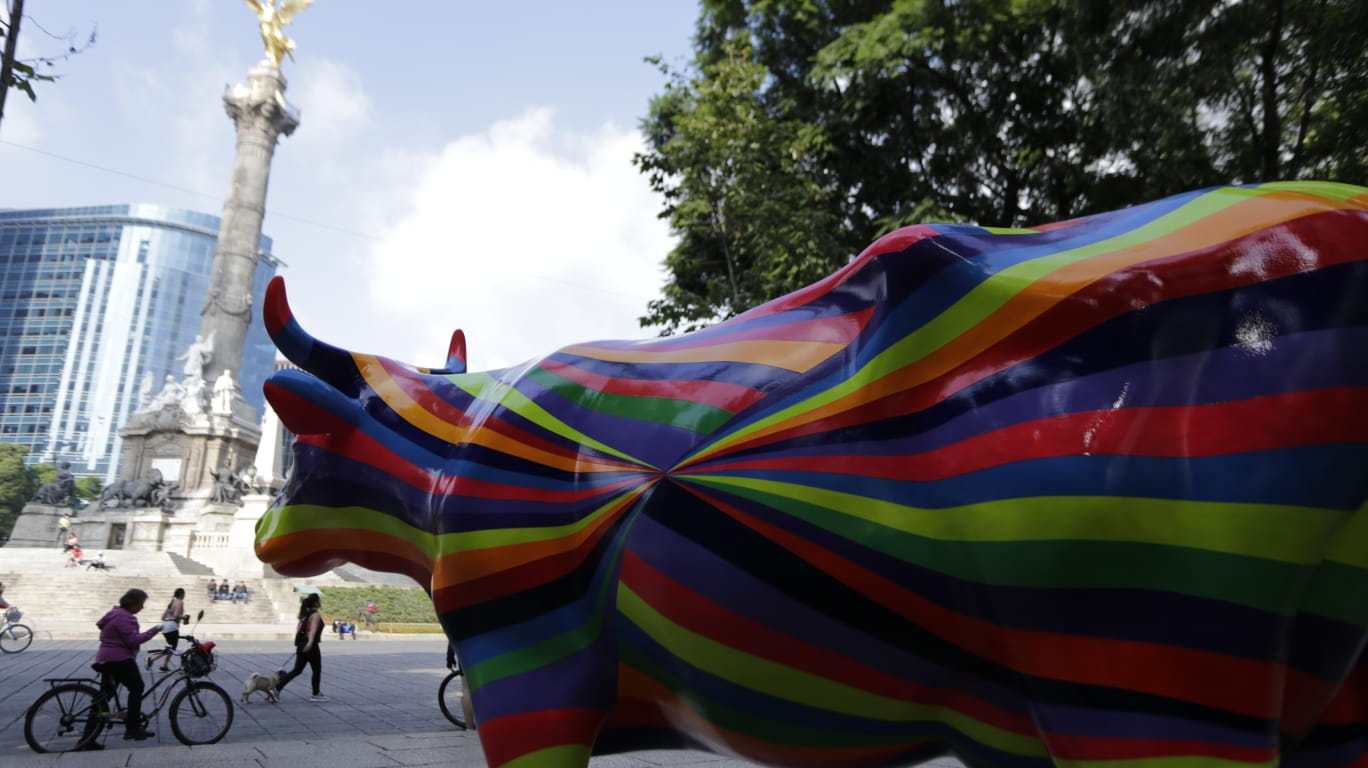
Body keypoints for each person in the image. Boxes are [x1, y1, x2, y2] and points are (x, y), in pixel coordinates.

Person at [94, 589, 162, 742]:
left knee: (102, 699)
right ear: (133, 603)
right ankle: (133, 728)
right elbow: (133, 640)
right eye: (141, 604)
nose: (142, 608)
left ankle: (87, 738)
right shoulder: (126, 617)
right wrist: (155, 630)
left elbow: (100, 625)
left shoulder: (113, 613)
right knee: (137, 688)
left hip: (104, 658)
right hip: (120, 660)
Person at [276, 593, 327, 702]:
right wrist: (309, 644)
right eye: (319, 600)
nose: (320, 602)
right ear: (316, 602)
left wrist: (301, 646)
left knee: (297, 670)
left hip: (301, 645)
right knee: (316, 670)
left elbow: (299, 630)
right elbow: (312, 632)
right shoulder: (315, 615)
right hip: (311, 646)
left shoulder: (304, 616)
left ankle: (277, 688)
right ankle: (316, 693)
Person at [157, 588, 187, 672]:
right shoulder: (180, 602)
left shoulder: (172, 602)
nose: (185, 596)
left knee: (170, 647)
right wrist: (184, 617)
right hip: (172, 627)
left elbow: (162, 617)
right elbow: (176, 615)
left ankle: (162, 664)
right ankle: (159, 663)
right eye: (184, 594)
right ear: (181, 594)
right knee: (173, 648)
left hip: (165, 626)